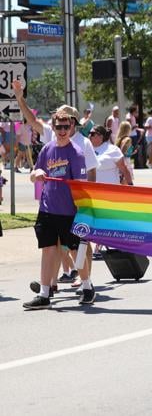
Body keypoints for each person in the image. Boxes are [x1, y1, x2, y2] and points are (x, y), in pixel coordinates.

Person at [23, 111, 88, 309]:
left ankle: (87, 286)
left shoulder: (76, 153)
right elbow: (34, 174)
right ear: (53, 127)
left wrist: (82, 212)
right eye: (58, 127)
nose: (62, 131)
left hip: (69, 211)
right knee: (48, 250)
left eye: (66, 127)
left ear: (71, 128)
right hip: (47, 209)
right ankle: (44, 294)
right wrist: (37, 174)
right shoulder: (47, 149)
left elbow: (81, 185)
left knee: (76, 251)